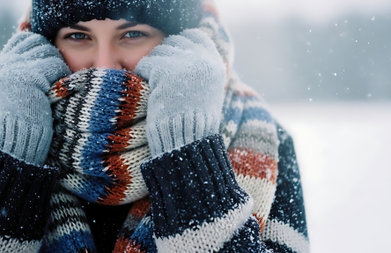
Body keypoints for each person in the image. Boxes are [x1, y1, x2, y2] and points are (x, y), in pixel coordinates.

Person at [0, 0, 309, 252]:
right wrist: (16, 152)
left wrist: (188, 149)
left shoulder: (262, 139)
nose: (105, 65)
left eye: (132, 34)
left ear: (182, 41)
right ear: (45, 45)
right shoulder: (7, 134)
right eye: (78, 37)